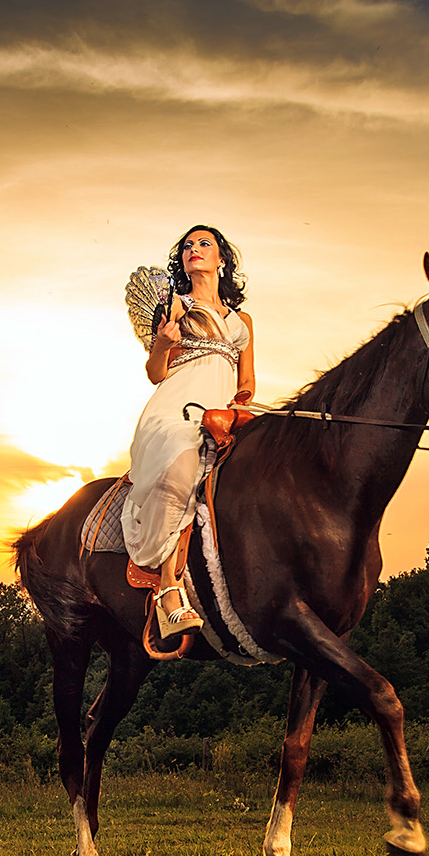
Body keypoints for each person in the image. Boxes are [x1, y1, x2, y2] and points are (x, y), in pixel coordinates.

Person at [122, 225, 255, 637]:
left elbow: (246, 382)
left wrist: (239, 408)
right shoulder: (174, 308)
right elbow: (155, 373)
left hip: (219, 410)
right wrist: (162, 343)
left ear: (222, 260)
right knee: (182, 458)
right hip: (174, 409)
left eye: (203, 244)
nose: (193, 250)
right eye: (187, 247)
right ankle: (167, 591)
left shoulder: (242, 321)